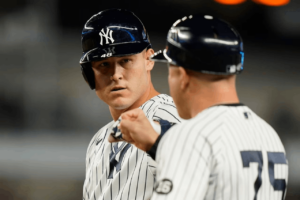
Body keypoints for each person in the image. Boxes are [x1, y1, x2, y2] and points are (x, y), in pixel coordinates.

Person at [110, 14, 289, 200]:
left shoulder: (190, 136)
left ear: (183, 75)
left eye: (171, 72)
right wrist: (157, 146)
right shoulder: (269, 135)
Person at [79, 8, 181, 200]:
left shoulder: (169, 116)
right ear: (89, 75)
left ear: (148, 59)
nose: (116, 74)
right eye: (103, 64)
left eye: (126, 60)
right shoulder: (98, 141)